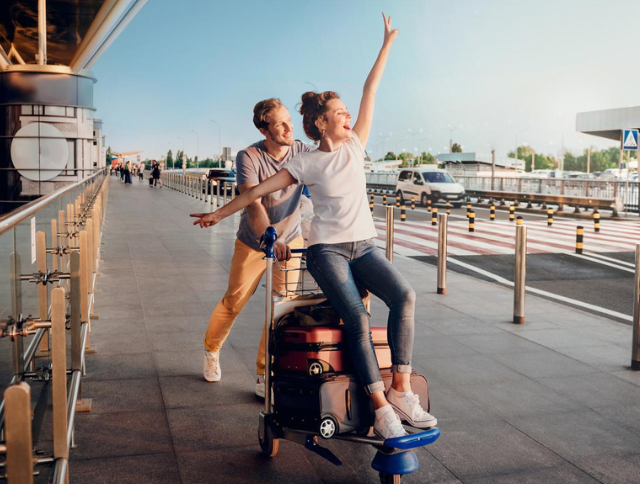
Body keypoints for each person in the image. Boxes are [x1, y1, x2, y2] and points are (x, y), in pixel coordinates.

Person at [191, 14, 436, 439]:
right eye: (339, 114)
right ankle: (379, 409)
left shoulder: (354, 144)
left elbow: (370, 89)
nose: (347, 117)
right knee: (337, 316)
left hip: (354, 243)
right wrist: (218, 214)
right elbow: (254, 196)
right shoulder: (293, 160)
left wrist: (386, 46)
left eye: (346, 113)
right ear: (321, 123)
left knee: (404, 296)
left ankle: (399, 390)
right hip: (300, 245)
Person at [190, 98, 314, 397]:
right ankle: (211, 350)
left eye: (289, 121)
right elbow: (254, 203)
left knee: (280, 307)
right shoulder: (249, 156)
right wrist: (271, 238)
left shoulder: (301, 151)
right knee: (234, 301)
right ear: (264, 128)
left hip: (291, 240)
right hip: (255, 241)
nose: (289, 128)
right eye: (280, 124)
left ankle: (264, 372)